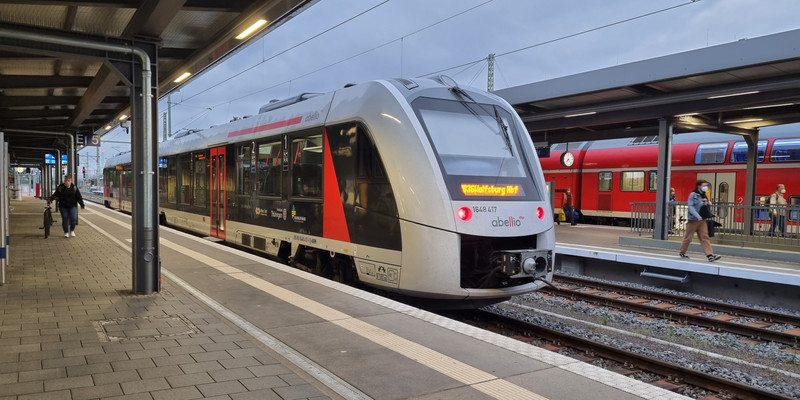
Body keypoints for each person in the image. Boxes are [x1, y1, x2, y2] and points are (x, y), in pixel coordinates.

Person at [678, 179, 721, 262]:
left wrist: (708, 203)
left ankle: (710, 255)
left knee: (705, 237)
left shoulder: (704, 195)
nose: (706, 187)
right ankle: (682, 252)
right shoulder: (693, 195)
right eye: (704, 186)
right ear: (699, 186)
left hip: (702, 220)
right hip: (693, 220)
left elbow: (703, 206)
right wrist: (697, 216)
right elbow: (690, 207)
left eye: (706, 186)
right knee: (688, 238)